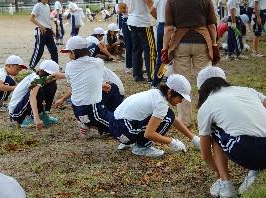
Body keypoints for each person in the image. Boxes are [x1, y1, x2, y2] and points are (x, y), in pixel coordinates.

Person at [197, 66, 266, 197]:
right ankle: (255, 170)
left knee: (214, 129)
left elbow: (205, 153)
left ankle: (225, 183)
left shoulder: (207, 105)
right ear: (224, 80)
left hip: (249, 150)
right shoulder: (247, 90)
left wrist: (216, 170)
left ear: (201, 89)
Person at [109, 74, 200, 157]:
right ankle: (142, 147)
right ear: (170, 92)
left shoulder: (156, 93)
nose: (180, 102)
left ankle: (129, 142)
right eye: (180, 98)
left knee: (169, 116)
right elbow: (149, 134)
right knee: (167, 118)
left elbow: (174, 120)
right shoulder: (161, 103)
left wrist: (193, 138)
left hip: (115, 126)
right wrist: (173, 142)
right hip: (123, 130)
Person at [162, 0, 218, 127]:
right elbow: (212, 26)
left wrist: (165, 48)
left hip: (180, 43)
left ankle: (184, 120)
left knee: (181, 83)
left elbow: (169, 28)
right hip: (203, 42)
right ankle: (208, 119)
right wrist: (214, 44)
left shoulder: (171, 1)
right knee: (205, 82)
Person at [57, 36, 123, 137]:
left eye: (69, 52)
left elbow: (79, 83)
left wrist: (101, 85)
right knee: (121, 128)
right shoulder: (98, 63)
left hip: (77, 108)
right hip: (91, 110)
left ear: (74, 53)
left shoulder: (69, 66)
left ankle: (91, 123)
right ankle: (92, 123)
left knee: (112, 88)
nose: (69, 55)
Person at [9, 60, 59, 130]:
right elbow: (32, 97)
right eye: (48, 74)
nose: (50, 76)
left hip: (26, 104)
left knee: (52, 85)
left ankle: (43, 115)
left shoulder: (42, 78)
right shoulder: (36, 79)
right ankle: (28, 118)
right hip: (17, 111)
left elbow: (58, 76)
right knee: (38, 90)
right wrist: (36, 118)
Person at [126, 0, 157, 82]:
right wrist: (157, 17)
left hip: (132, 20)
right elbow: (148, 2)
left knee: (136, 49)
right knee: (150, 50)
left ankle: (137, 74)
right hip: (144, 22)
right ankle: (152, 75)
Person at [28, 0, 58, 70]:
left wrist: (51, 28)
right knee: (39, 51)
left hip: (48, 30)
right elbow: (31, 18)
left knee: (53, 50)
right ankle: (31, 67)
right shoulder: (38, 5)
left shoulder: (47, 6)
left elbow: (47, 20)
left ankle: (55, 66)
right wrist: (41, 26)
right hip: (40, 31)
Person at [150, 0, 168, 87]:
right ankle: (169, 81)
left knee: (161, 56)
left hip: (161, 26)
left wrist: (159, 18)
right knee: (171, 57)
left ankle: (156, 82)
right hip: (170, 26)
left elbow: (152, 11)